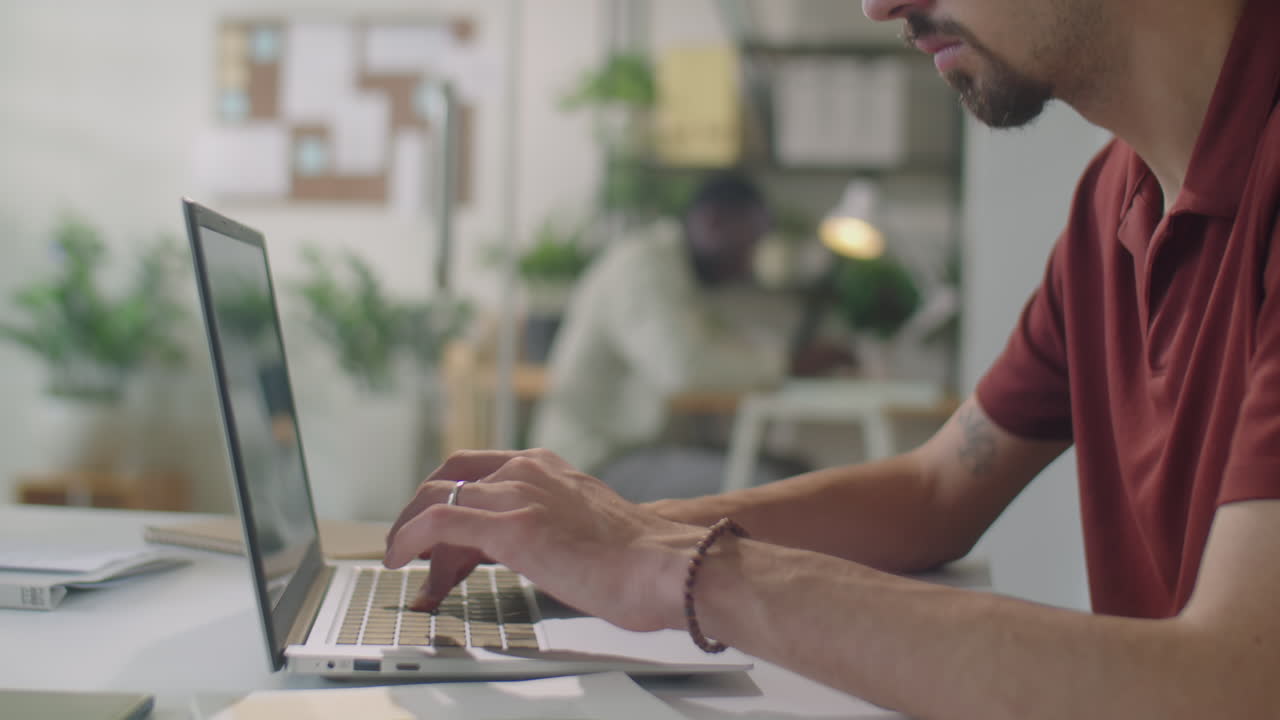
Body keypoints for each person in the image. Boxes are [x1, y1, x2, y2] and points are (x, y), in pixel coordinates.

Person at [386, 0, 1280, 716]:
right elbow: (936, 491)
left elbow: (1235, 686)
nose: (877, 6)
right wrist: (614, 537)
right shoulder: (1112, 201)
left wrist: (681, 570)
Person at [529, 172, 831, 498]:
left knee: (800, 473)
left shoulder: (684, 276)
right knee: (777, 486)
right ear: (714, 223)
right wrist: (785, 363)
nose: (751, 261)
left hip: (651, 450)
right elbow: (683, 369)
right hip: (595, 464)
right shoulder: (642, 267)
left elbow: (721, 348)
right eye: (751, 242)